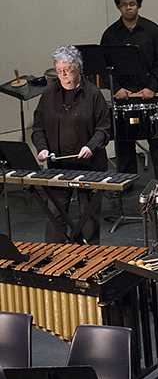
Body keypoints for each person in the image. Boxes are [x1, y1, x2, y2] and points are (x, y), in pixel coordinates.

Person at [31, 45, 111, 244]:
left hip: (89, 167)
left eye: (67, 69)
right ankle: (54, 258)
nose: (63, 74)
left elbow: (104, 129)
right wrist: (42, 148)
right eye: (59, 70)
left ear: (78, 68)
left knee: (88, 218)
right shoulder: (49, 94)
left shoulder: (93, 94)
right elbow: (38, 128)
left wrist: (90, 147)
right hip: (59, 166)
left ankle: (90, 259)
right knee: (55, 215)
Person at [100, 0, 158, 180]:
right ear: (118, 7)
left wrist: (152, 87)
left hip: (148, 94)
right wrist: (116, 88)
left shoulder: (152, 30)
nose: (128, 8)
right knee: (124, 142)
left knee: (157, 140)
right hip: (124, 95)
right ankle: (126, 182)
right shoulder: (110, 34)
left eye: (132, 4)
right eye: (124, 5)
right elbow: (104, 66)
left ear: (138, 5)